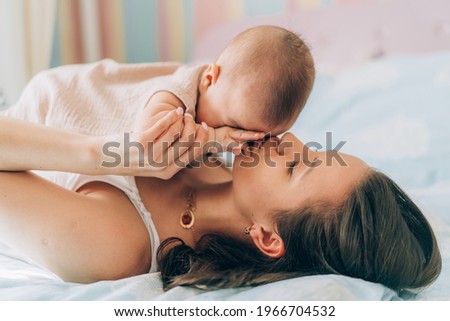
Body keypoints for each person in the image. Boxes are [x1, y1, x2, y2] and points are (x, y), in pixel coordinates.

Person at [0, 112, 442, 294]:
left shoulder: (115, 244)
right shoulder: (218, 148)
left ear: (267, 236)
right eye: (313, 150)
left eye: (293, 167)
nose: (286, 140)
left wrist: (117, 152)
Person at [2, 25, 315, 156]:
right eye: (233, 125)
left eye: (259, 137)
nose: (237, 138)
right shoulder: (175, 93)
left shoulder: (216, 106)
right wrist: (215, 140)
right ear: (209, 78)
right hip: (61, 99)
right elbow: (148, 146)